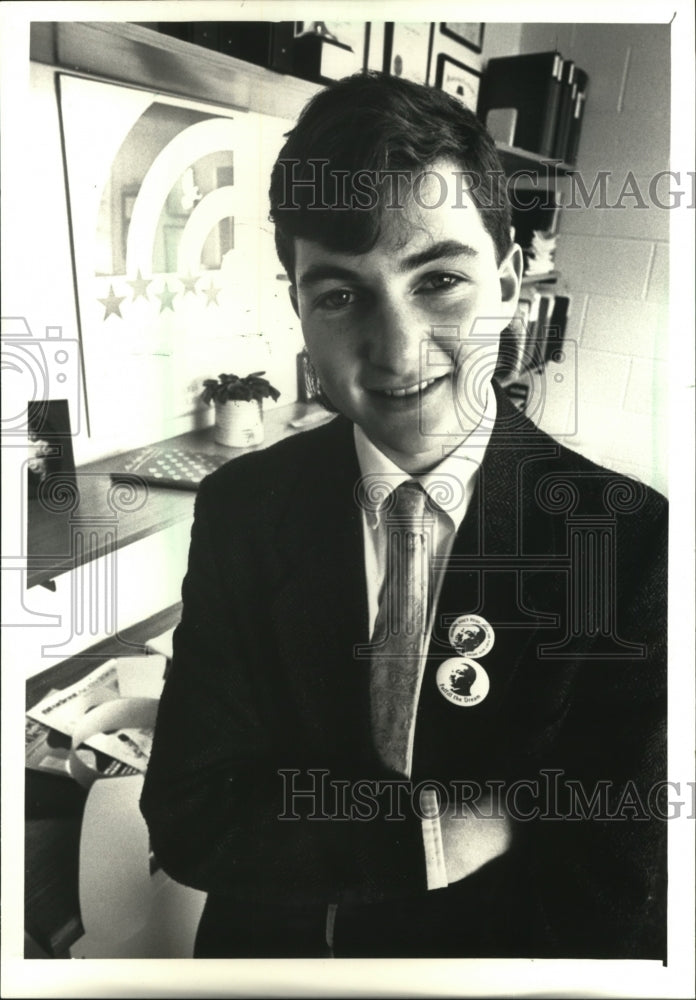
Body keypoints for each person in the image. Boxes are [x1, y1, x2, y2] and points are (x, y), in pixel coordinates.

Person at [140, 73, 667, 960]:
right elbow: (194, 815)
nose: (397, 349)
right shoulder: (244, 506)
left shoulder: (629, 543)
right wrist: (454, 831)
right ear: (298, 308)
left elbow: (615, 890)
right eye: (340, 294)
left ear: (508, 284)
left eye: (441, 281)